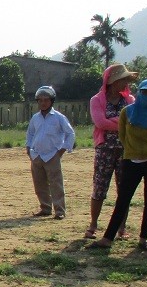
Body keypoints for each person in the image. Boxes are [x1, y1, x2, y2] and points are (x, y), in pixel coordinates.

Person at [90, 78, 147, 251]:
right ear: (139, 92)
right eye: (145, 92)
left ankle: (143, 239)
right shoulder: (127, 113)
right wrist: (132, 152)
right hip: (131, 161)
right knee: (123, 200)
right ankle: (107, 238)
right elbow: (123, 135)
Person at [85, 64, 138, 239]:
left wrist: (113, 121)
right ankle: (93, 225)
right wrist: (122, 122)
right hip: (104, 149)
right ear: (113, 82)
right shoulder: (97, 100)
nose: (125, 83)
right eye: (123, 79)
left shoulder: (130, 100)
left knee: (124, 189)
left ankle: (121, 228)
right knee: (99, 187)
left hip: (126, 149)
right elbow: (100, 123)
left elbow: (134, 122)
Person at [25, 85, 76, 219]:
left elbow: (70, 133)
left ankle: (60, 211)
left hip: (52, 155)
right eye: (40, 100)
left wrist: (62, 150)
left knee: (56, 184)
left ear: (51, 101)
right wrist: (28, 148)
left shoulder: (58, 117)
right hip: (36, 155)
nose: (43, 103)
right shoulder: (35, 118)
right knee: (39, 184)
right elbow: (30, 134)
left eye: (46, 100)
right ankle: (45, 208)